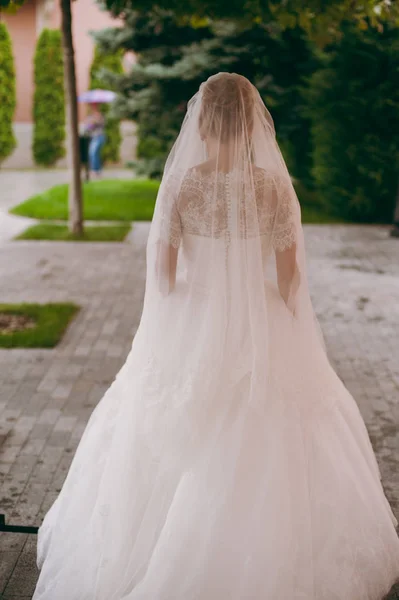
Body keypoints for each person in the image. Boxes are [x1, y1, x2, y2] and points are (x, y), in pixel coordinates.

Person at [33, 73, 399, 600]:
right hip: (262, 323)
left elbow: (161, 274)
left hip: (191, 318)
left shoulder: (183, 183)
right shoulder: (273, 186)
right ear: (253, 122)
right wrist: (287, 319)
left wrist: (183, 307)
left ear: (201, 122)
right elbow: (292, 276)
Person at [84, 103, 106, 178]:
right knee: (93, 154)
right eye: (92, 106)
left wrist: (96, 121)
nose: (94, 107)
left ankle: (95, 170)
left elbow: (102, 124)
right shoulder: (90, 116)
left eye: (95, 106)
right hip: (93, 137)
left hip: (99, 136)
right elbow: (87, 127)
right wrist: (91, 123)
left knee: (93, 153)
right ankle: (97, 170)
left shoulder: (100, 116)